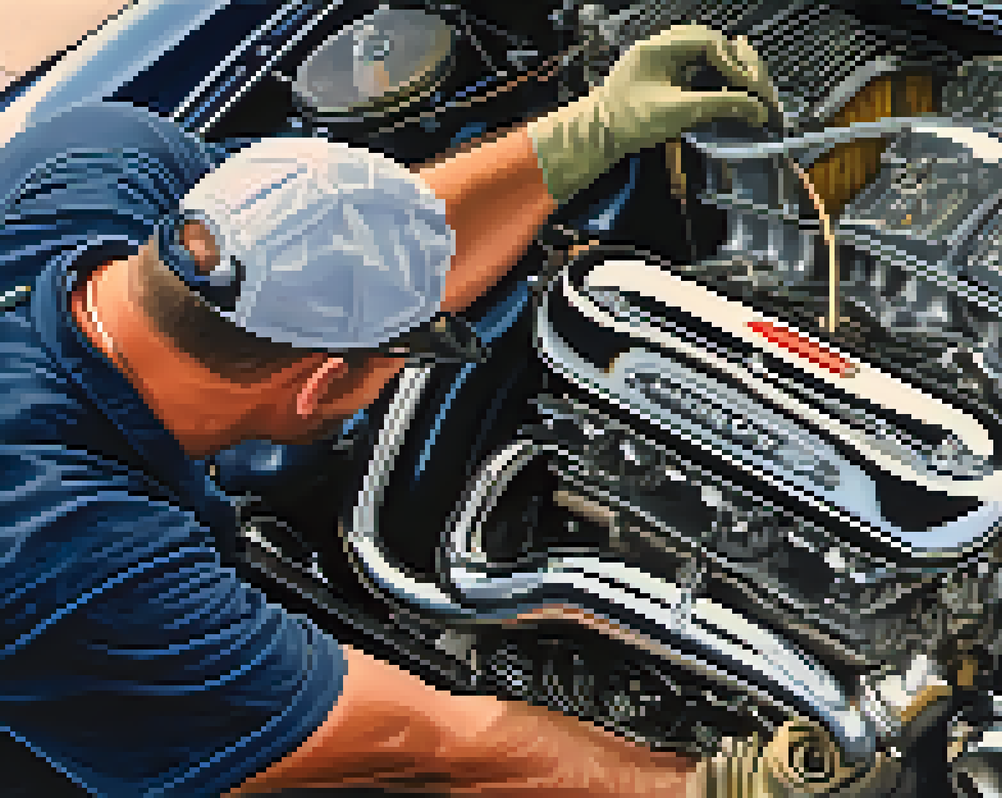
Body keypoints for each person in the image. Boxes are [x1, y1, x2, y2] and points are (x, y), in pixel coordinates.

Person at [0, 24, 779, 797]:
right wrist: (717, 784)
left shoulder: (94, 158)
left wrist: (592, 129)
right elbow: (430, 740)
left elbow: (335, 243)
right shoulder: (79, 556)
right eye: (402, 355)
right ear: (322, 385)